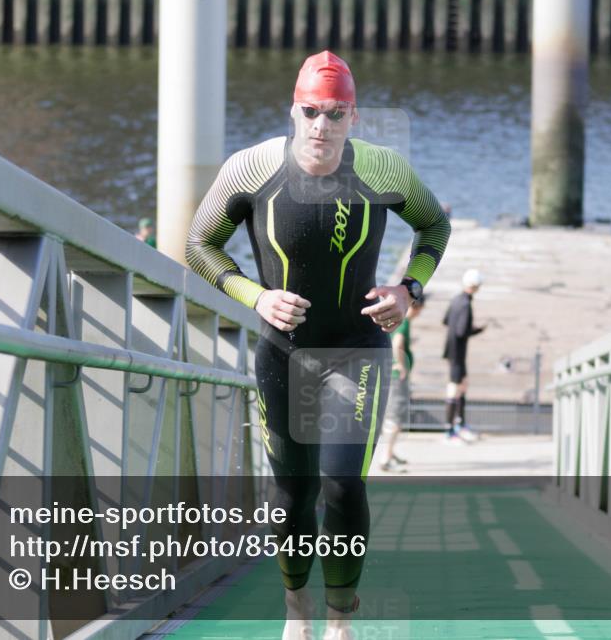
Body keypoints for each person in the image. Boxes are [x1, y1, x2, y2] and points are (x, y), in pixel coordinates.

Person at [185, 51, 450, 640]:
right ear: (293, 111)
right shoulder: (249, 169)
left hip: (358, 349)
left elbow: (434, 227)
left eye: (335, 113)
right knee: (292, 492)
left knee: (343, 481)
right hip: (282, 352)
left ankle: (339, 619)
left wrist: (409, 289)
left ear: (353, 117)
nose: (321, 125)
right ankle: (295, 610)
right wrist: (254, 297)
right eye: (310, 111)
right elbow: (200, 245)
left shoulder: (385, 170)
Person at [377, 296, 425, 472]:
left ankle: (390, 453)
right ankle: (386, 457)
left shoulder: (399, 321)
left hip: (392, 374)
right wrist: (402, 365)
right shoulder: (404, 321)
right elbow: (397, 344)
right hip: (397, 377)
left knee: (393, 416)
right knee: (395, 416)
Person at [442, 269, 486, 444]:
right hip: (458, 352)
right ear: (476, 286)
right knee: (454, 388)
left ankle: (460, 424)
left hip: (451, 349)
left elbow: (445, 321)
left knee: (463, 384)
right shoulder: (466, 304)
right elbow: (462, 331)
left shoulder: (455, 299)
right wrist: (477, 329)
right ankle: (449, 431)